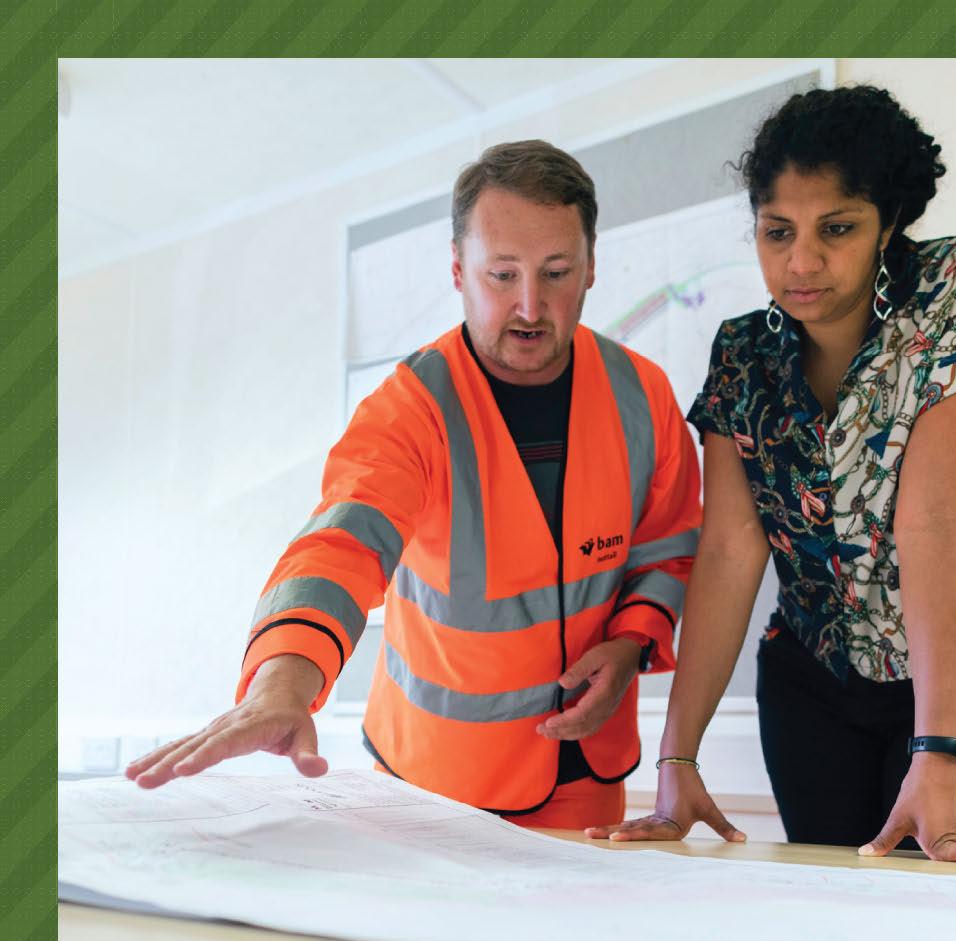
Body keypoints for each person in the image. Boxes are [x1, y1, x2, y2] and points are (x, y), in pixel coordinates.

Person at [126, 142, 701, 831]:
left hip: (587, 772)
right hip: (435, 786)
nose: (529, 305)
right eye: (501, 275)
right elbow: (341, 546)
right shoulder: (409, 409)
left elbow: (666, 549)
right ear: (457, 270)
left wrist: (632, 643)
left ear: (591, 267)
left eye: (556, 272)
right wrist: (281, 684)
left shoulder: (643, 395)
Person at [591, 86, 956, 869]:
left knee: (955, 918)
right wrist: (676, 758)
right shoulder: (742, 353)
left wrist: (936, 751)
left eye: (836, 229)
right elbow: (729, 550)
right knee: (838, 930)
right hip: (812, 690)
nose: (800, 262)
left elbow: (935, 519)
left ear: (888, 223)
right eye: (777, 231)